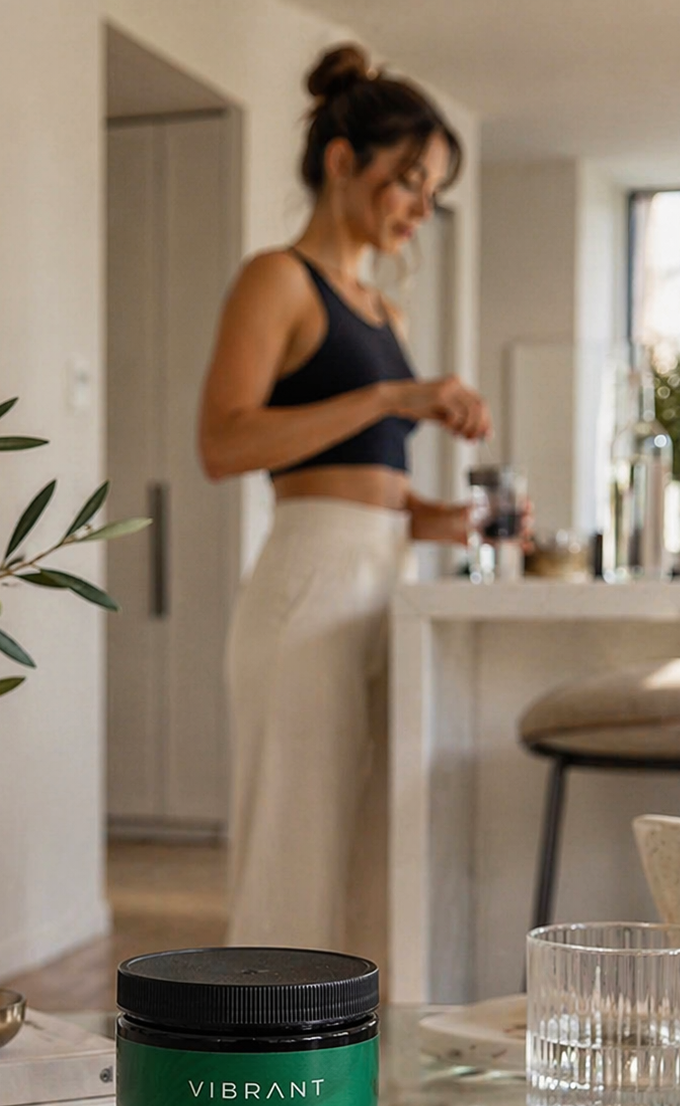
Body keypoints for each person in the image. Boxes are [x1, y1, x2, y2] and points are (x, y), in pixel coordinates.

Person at [198, 43, 493, 961]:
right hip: (308, 587)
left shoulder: (387, 314)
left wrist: (433, 516)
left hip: (383, 585)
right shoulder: (276, 280)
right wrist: (387, 398)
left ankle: (351, 1082)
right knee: (295, 850)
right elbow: (224, 442)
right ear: (341, 161)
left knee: (375, 851)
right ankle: (261, 1075)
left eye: (431, 191)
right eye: (409, 180)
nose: (420, 207)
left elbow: (372, 473)